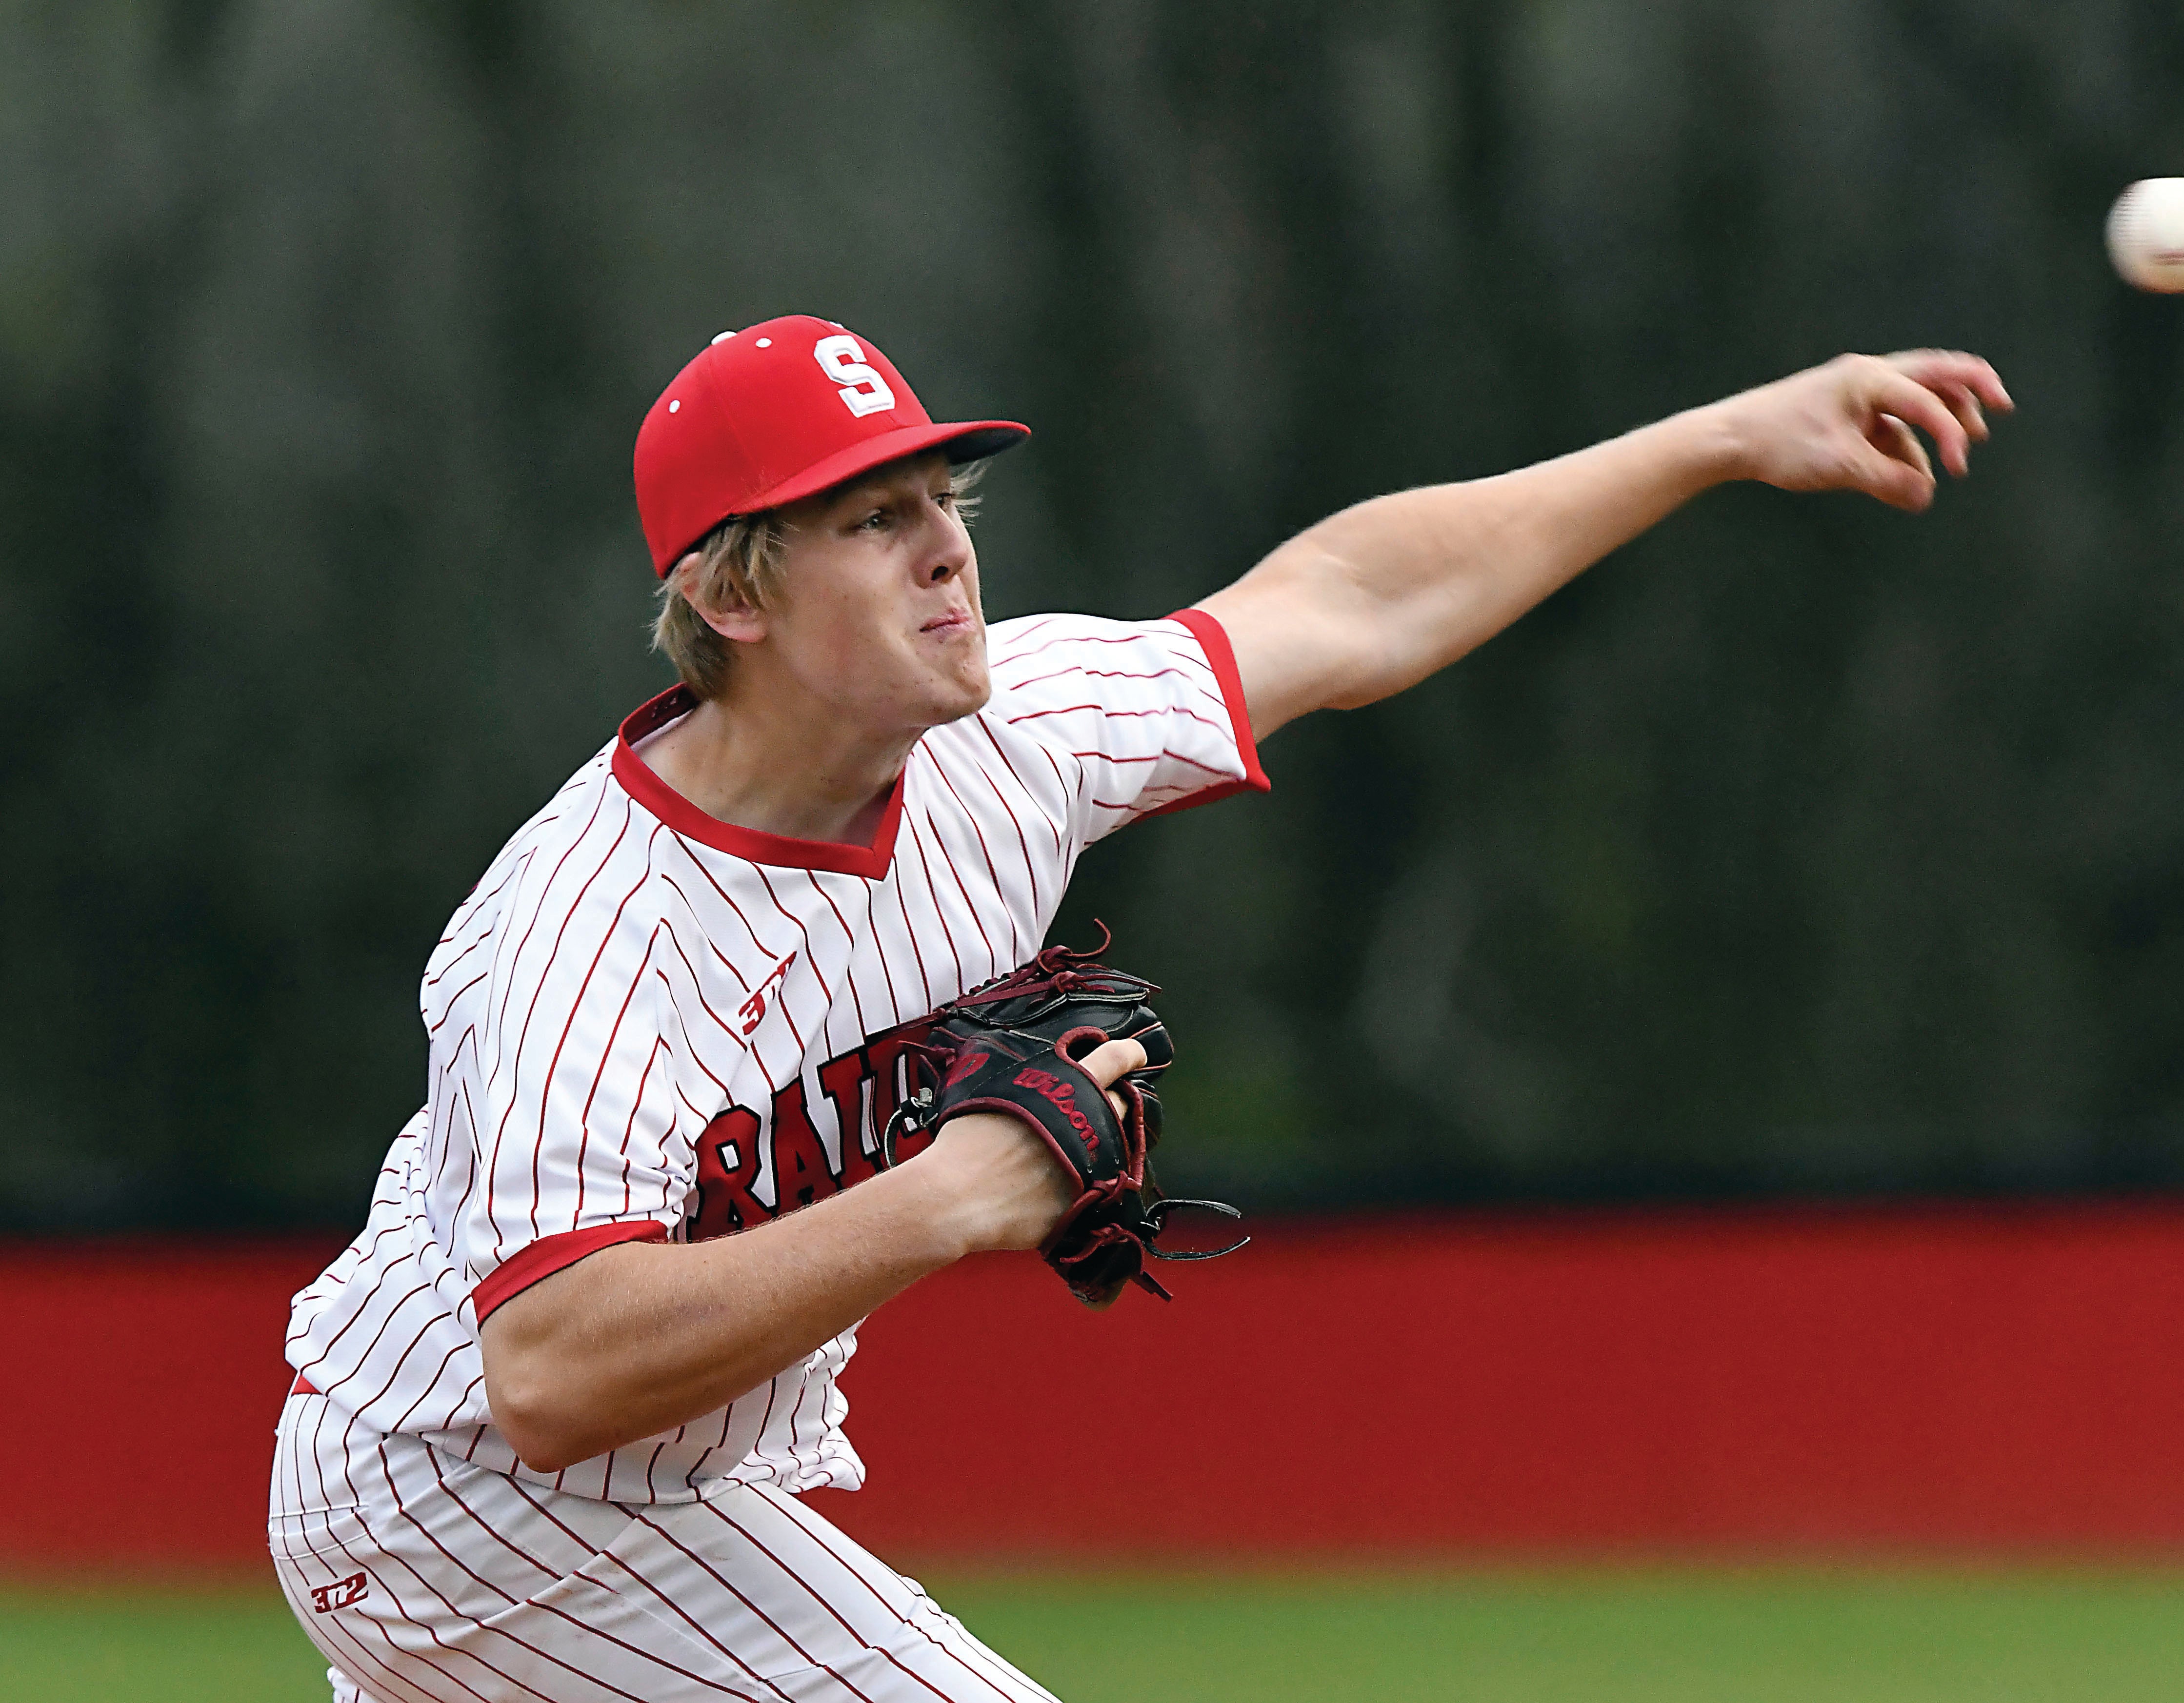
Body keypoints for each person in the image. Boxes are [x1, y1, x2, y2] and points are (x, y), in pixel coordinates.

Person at [271, 313, 2009, 1701]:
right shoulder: (584, 929)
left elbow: (1346, 600)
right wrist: (944, 1198)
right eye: (876, 519)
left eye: (948, 500)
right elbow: (554, 1366)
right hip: (467, 1496)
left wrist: (1717, 435)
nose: (948, 552)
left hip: (658, 1487)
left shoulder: (1007, 734)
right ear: (733, 593)